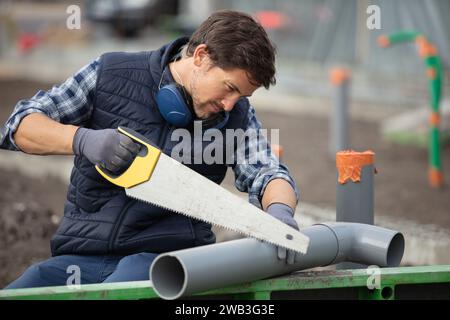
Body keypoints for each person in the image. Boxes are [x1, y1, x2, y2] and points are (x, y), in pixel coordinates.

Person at [0, 10, 300, 289]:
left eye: (241, 95)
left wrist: (280, 212)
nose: (230, 104)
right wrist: (83, 140)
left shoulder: (236, 116)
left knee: (127, 282)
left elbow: (268, 172)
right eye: (230, 88)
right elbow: (19, 126)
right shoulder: (110, 73)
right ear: (201, 56)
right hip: (79, 259)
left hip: (166, 265)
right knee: (26, 288)